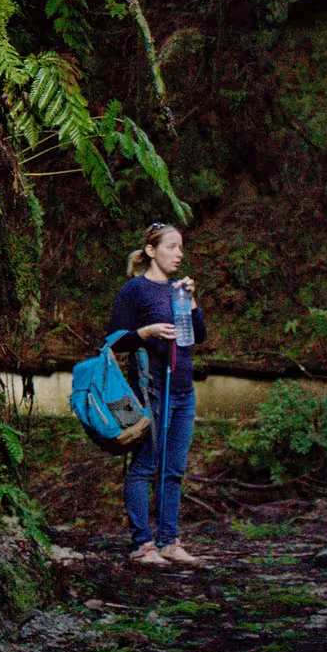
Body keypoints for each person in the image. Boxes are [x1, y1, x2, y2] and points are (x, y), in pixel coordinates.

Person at [107, 222, 208, 568]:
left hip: (183, 389)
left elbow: (201, 335)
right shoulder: (134, 291)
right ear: (151, 251)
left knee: (174, 469)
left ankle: (169, 540)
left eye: (181, 247)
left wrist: (192, 303)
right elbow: (114, 340)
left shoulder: (180, 290)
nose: (179, 254)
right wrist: (145, 332)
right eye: (172, 247)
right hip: (149, 390)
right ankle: (142, 543)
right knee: (146, 465)